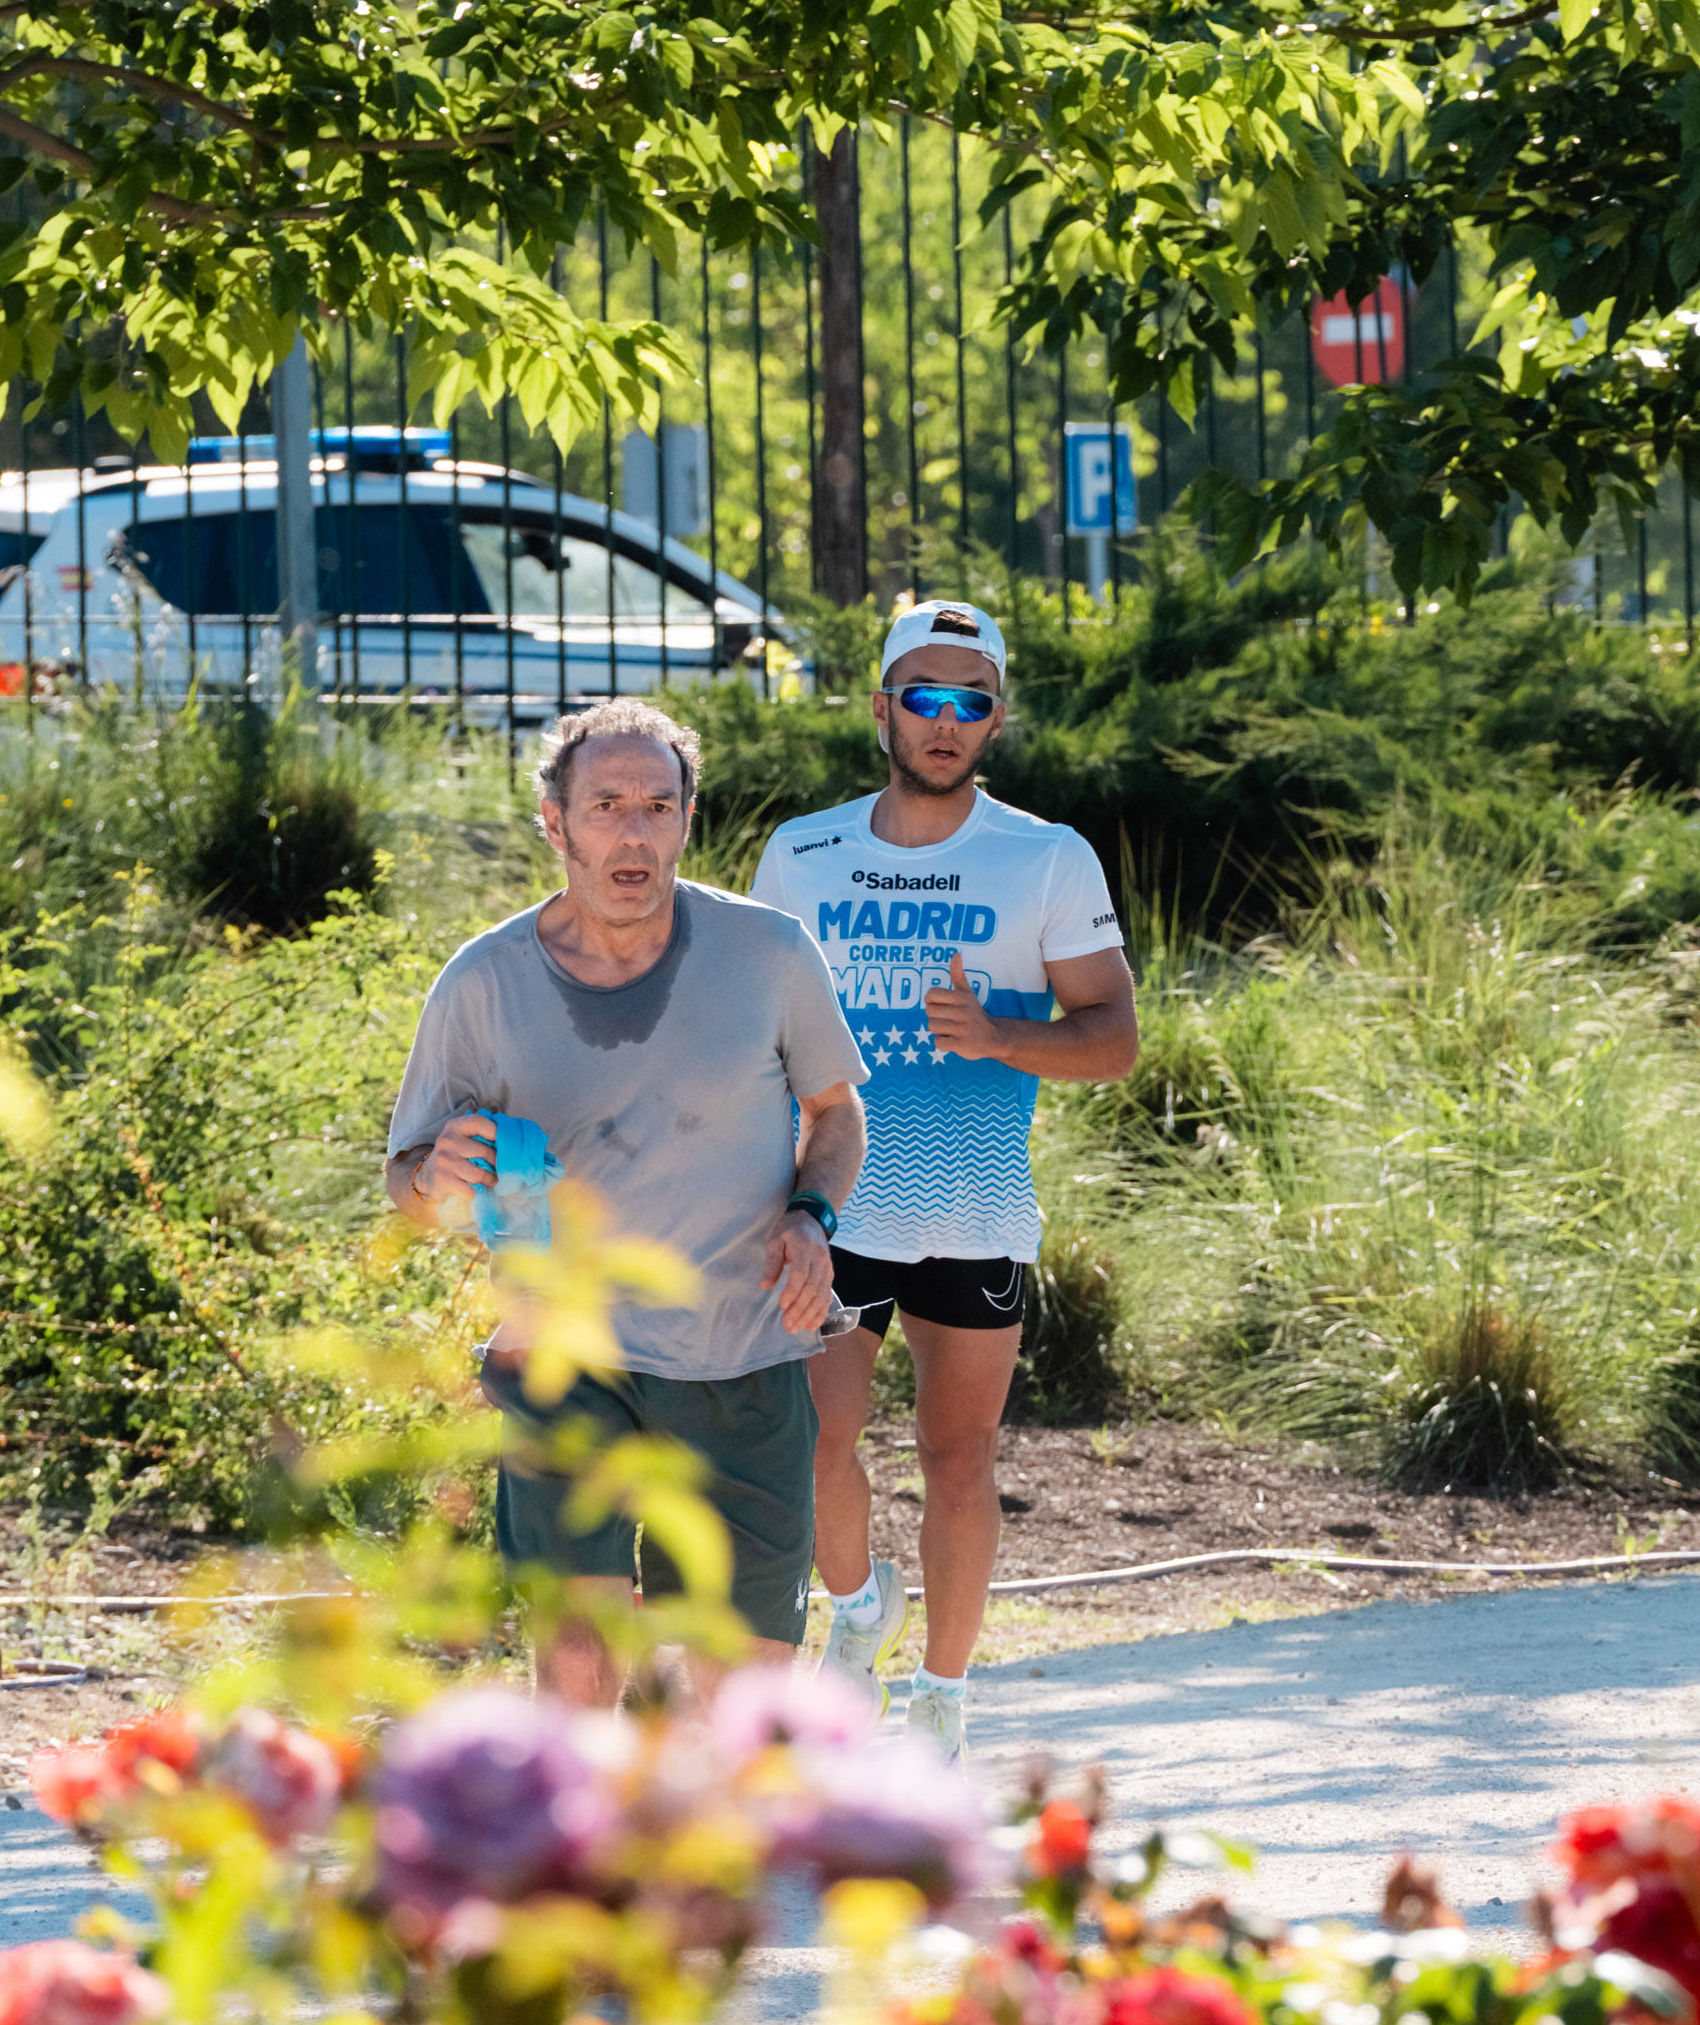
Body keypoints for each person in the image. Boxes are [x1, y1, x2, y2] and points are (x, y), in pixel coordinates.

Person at [384, 696, 867, 1704]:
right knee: (575, 1661)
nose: (633, 832)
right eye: (606, 805)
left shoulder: (770, 953)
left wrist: (810, 1216)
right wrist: (438, 1177)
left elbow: (836, 1114)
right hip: (563, 1359)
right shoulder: (483, 982)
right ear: (555, 822)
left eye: (657, 804)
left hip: (741, 1353)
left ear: (688, 817)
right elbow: (409, 1182)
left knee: (741, 1694)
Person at [751, 600, 1138, 1761]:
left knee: (957, 1458)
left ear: (995, 721)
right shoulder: (803, 853)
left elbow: (1114, 1039)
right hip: (833, 1200)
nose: (946, 720)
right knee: (809, 1440)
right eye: (924, 696)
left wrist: (1000, 1036)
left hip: (973, 1212)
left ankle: (942, 1696)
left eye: (972, 702)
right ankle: (857, 1604)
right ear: (881, 708)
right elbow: (750, 1026)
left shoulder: (1046, 856)